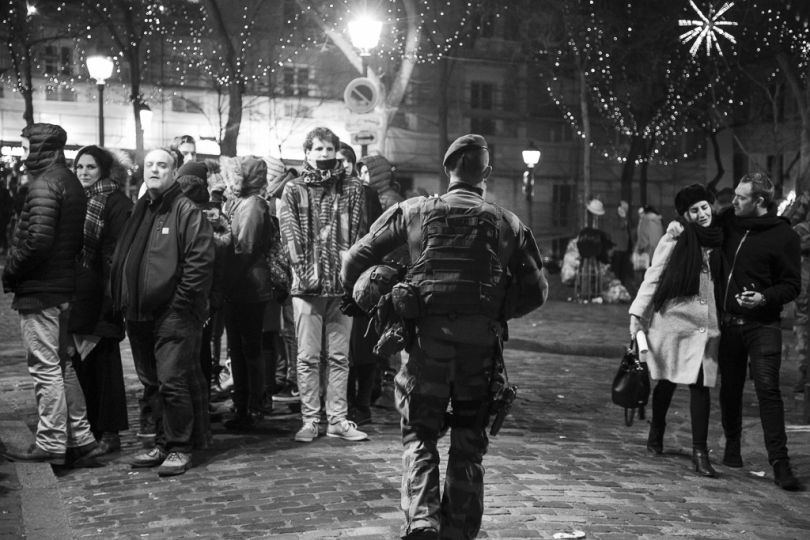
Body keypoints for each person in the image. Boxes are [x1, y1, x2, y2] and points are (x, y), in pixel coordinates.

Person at [341, 134, 548, 540]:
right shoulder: (508, 222)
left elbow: (353, 259)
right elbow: (537, 291)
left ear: (446, 168)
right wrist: (498, 310)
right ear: (486, 174)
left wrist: (363, 298)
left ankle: (421, 521)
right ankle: (459, 531)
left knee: (419, 434)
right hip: (481, 349)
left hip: (424, 346)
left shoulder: (413, 211)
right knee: (469, 442)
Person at [1, 123, 101, 467]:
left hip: (41, 289)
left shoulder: (45, 183)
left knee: (46, 367)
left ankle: (51, 442)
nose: (24, 150)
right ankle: (82, 437)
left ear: (40, 147)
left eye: (27, 144)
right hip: (60, 287)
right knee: (62, 364)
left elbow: (37, 241)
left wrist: (11, 268)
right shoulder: (68, 181)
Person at [110, 147, 214, 477]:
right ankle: (161, 441)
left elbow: (200, 261)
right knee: (152, 384)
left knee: (172, 382)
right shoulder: (143, 208)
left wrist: (180, 302)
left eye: (163, 165)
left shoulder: (184, 210)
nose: (155, 169)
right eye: (150, 164)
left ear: (173, 173)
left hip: (173, 313)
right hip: (139, 312)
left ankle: (180, 447)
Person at [279, 127, 368, 443]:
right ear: (306, 153)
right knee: (307, 357)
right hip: (307, 288)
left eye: (329, 149)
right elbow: (289, 235)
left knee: (340, 357)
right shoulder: (294, 189)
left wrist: (351, 275)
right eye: (317, 149)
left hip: (341, 287)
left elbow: (360, 235)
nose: (324, 154)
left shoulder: (353, 188)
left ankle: (337, 419)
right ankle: (309, 419)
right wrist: (305, 272)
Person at [629, 184, 722, 477]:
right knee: (667, 382)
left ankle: (699, 452)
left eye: (705, 206)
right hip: (674, 322)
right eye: (694, 210)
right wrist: (636, 314)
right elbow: (653, 278)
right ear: (685, 215)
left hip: (706, 325)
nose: (702, 213)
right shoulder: (674, 238)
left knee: (700, 386)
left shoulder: (720, 236)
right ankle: (657, 430)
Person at [716, 173, 802, 490]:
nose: (733, 201)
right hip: (729, 323)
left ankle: (780, 464)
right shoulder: (729, 221)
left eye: (741, 197)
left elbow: (792, 285)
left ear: (760, 202)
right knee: (730, 390)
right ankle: (732, 447)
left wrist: (764, 297)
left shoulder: (784, 237)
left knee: (768, 390)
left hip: (763, 324)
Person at [69, 146, 133, 455]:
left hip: (103, 295)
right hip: (81, 293)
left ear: (103, 170)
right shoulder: (79, 200)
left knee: (105, 364)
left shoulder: (115, 201)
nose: (83, 172)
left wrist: (111, 299)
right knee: (85, 364)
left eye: (90, 167)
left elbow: (116, 255)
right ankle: (92, 429)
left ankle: (109, 433)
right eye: (79, 166)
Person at [221, 156, 275, 430]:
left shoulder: (253, 205)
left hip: (249, 286)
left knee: (249, 348)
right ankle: (243, 403)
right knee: (239, 348)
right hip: (240, 284)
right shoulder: (242, 202)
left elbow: (245, 248)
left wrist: (226, 280)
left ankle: (253, 405)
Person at [338, 143, 383, 425]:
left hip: (362, 276)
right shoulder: (330, 193)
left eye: (346, 161)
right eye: (337, 160)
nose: (341, 166)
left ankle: (362, 403)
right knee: (342, 344)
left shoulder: (367, 193)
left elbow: (376, 235)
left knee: (363, 344)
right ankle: (342, 400)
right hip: (337, 277)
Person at [782, 188, 810, 394]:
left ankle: (803, 374)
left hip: (804, 281)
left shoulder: (802, 229)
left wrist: (799, 205)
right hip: (804, 283)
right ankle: (803, 374)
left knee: (802, 327)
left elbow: (784, 228)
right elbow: (784, 229)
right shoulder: (802, 230)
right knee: (802, 327)